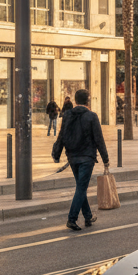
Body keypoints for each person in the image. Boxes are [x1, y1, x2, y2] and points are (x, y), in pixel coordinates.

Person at [52, 88, 109, 232]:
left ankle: (88, 216)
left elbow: (62, 135)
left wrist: (56, 153)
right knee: (81, 188)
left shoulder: (67, 115)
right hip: (87, 157)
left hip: (72, 157)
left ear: (76, 100)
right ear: (87, 100)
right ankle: (72, 218)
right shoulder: (91, 116)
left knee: (80, 187)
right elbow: (99, 139)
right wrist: (105, 159)